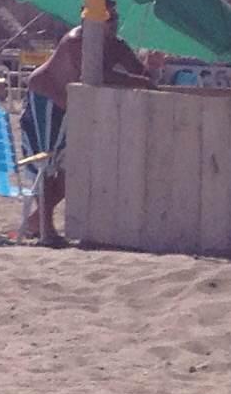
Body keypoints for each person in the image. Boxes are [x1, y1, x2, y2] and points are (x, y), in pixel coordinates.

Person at [22, 16, 154, 244]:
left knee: (73, 168)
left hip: (73, 107)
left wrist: (151, 68)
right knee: (46, 164)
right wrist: (139, 81)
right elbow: (94, 74)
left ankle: (35, 220)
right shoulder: (75, 41)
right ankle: (45, 227)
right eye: (105, 19)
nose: (110, 24)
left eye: (114, 19)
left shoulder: (117, 45)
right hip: (47, 97)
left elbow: (142, 75)